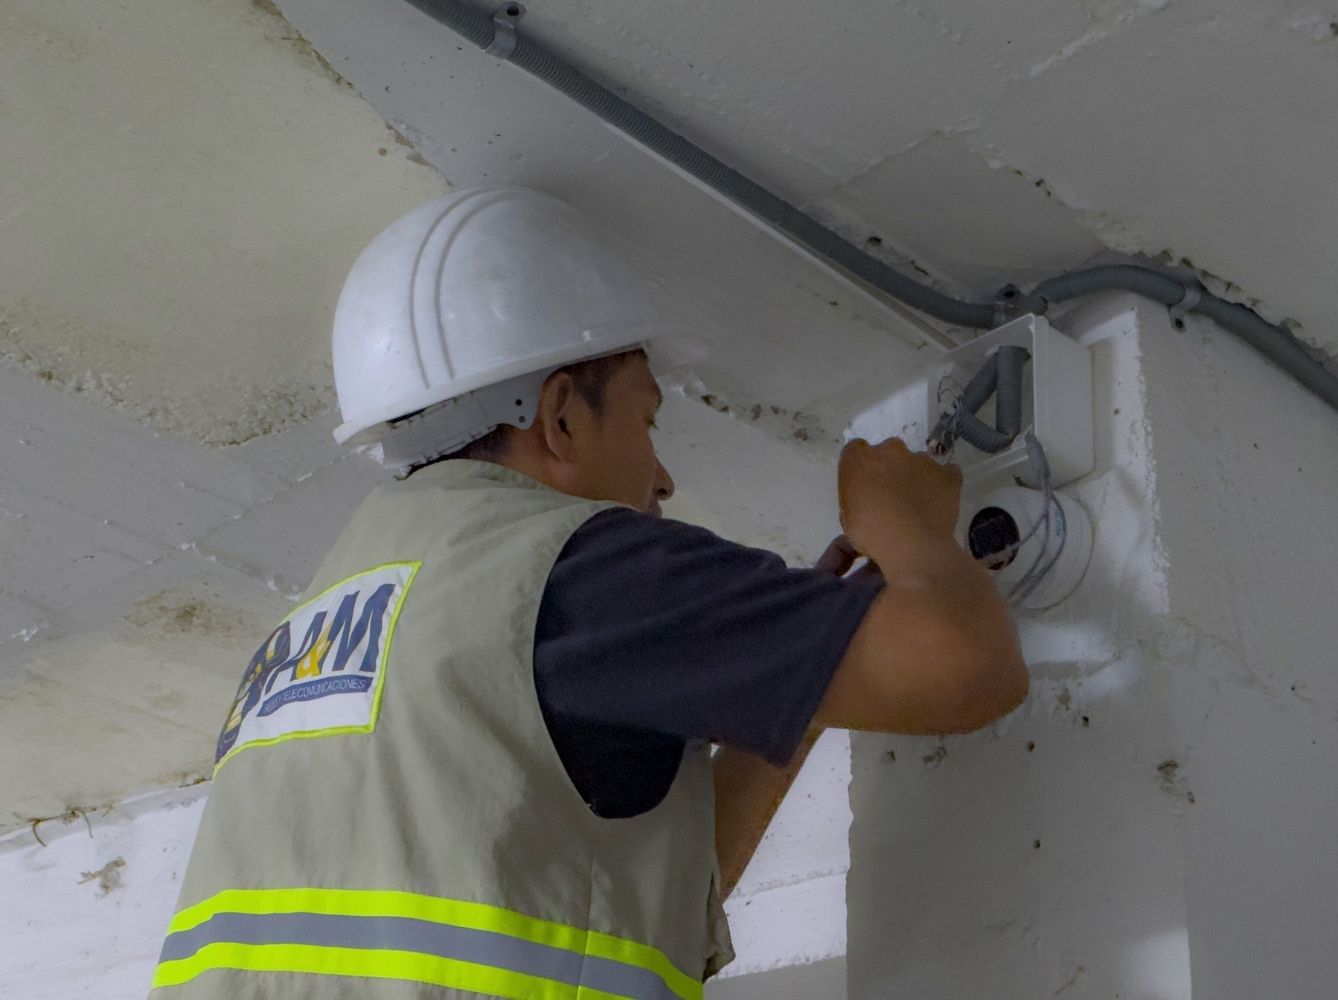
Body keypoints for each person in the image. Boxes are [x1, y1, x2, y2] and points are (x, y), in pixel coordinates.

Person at [150, 188, 1028, 1000]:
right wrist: (902, 522)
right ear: (561, 415)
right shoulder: (574, 569)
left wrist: (790, 685)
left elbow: (600, 905)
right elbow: (969, 670)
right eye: (647, 420)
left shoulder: (313, 629)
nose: (665, 477)